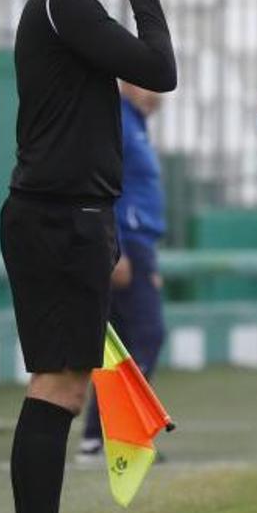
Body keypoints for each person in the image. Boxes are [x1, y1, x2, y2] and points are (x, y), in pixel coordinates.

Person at [0, 0, 175, 513]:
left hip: (71, 217)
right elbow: (159, 68)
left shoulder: (66, 5)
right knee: (57, 387)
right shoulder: (64, 1)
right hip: (58, 218)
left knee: (64, 387)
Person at [78, 82, 167, 460]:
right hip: (124, 244)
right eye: (150, 85)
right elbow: (103, 186)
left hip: (137, 246)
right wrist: (116, 250)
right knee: (146, 336)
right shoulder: (115, 119)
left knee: (125, 344)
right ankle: (120, 435)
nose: (157, 95)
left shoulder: (134, 122)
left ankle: (99, 436)